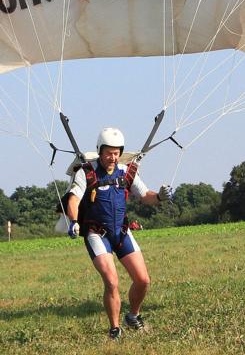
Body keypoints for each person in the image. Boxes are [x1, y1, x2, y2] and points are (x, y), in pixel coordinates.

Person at [64, 126, 168, 339]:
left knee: (143, 280)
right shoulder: (87, 172)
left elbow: (145, 195)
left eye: (116, 153)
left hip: (121, 232)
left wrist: (159, 197)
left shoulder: (126, 172)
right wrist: (74, 221)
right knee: (112, 281)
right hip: (97, 234)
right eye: (108, 153)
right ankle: (115, 328)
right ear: (99, 151)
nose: (112, 158)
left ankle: (133, 316)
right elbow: (73, 199)